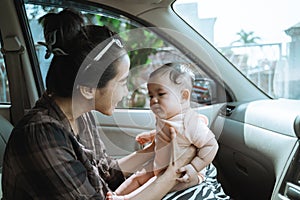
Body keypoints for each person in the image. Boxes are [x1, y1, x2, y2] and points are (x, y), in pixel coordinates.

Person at [1, 9, 198, 200]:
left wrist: (156, 148)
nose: (126, 91)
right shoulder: (40, 136)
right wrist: (173, 172)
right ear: (87, 89)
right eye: (122, 82)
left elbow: (106, 174)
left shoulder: (80, 114)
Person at [107, 63, 220, 200]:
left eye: (161, 94)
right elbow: (165, 132)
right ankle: (115, 194)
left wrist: (194, 167)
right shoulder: (167, 117)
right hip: (162, 164)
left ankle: (125, 199)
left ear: (184, 96)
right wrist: (150, 136)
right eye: (151, 96)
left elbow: (212, 145)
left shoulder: (191, 123)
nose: (154, 100)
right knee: (138, 176)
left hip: (183, 174)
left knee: (152, 183)